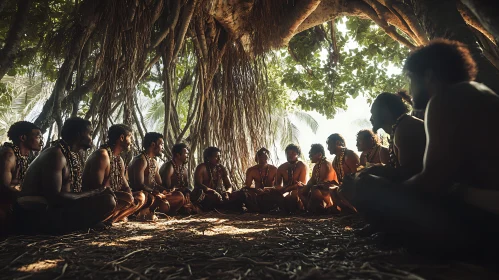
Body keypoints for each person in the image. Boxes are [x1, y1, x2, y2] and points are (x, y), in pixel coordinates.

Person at [355, 39, 499, 255]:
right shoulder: (480, 93)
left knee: (367, 185)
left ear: (429, 76)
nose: (410, 90)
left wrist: (386, 193)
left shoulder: (444, 100)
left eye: (412, 79)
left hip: (486, 223)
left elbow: (432, 180)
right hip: (483, 207)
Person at [15, 117, 116, 234]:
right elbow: (55, 197)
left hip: (56, 209)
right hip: (36, 214)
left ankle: (83, 223)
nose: (91, 138)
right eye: (89, 134)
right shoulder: (56, 155)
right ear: (79, 134)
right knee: (107, 201)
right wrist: (94, 192)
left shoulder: (70, 155)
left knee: (109, 198)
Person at [82, 124, 145, 223]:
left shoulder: (119, 160)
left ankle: (113, 219)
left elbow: (125, 185)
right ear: (122, 138)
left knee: (140, 196)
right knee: (127, 198)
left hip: (113, 197)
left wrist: (129, 193)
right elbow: (96, 189)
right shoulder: (102, 155)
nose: (131, 142)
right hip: (97, 200)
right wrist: (125, 196)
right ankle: (104, 219)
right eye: (130, 138)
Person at [367, 92, 426, 181]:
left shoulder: (405, 128)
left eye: (373, 113)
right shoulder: (400, 126)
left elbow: (408, 176)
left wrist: (376, 171)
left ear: (385, 112)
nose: (371, 119)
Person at [128, 132, 185, 218]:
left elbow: (158, 184)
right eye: (161, 144)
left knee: (179, 196)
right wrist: (154, 192)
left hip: (154, 195)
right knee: (154, 200)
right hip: (146, 197)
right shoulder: (140, 160)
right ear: (153, 144)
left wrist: (166, 191)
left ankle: (152, 211)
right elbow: (138, 185)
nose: (162, 147)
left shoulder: (154, 162)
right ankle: (146, 212)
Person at [0, 121, 43, 234]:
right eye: (38, 137)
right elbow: (3, 187)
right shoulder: (8, 155)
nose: (41, 142)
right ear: (23, 137)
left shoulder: (25, 156)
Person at [191, 147, 246, 211]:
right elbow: (198, 184)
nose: (219, 159)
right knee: (211, 199)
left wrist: (227, 192)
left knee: (241, 194)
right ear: (208, 158)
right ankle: (224, 207)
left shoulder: (221, 168)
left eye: (220, 156)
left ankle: (224, 206)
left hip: (220, 195)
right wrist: (212, 191)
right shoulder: (201, 168)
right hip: (207, 196)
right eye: (216, 157)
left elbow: (229, 186)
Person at [298, 144, 340, 214]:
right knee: (301, 190)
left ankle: (323, 209)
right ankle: (310, 210)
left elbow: (325, 183)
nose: (309, 156)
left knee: (315, 189)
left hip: (329, 192)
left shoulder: (326, 164)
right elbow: (312, 181)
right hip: (318, 189)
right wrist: (304, 186)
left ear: (319, 155)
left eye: (311, 155)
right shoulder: (316, 166)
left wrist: (310, 186)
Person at [159, 143, 197, 214]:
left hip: (180, 196)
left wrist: (188, 193)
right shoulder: (169, 167)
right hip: (167, 197)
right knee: (179, 196)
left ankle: (185, 207)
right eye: (186, 154)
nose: (188, 156)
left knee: (197, 194)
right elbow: (166, 188)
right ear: (178, 155)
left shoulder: (184, 169)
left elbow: (185, 186)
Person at [242, 148, 283, 213]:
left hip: (270, 193)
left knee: (278, 194)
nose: (263, 159)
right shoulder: (251, 170)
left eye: (265, 157)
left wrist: (267, 189)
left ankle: (275, 208)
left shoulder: (274, 169)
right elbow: (247, 186)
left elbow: (278, 186)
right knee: (245, 192)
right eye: (260, 157)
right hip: (257, 194)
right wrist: (256, 190)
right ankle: (255, 209)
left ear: (268, 158)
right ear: (256, 159)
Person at [275, 144, 308, 213]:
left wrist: (287, 189)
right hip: (284, 191)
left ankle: (299, 209)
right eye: (288, 153)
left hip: (298, 191)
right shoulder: (281, 168)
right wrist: (280, 189)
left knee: (293, 194)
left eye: (293, 153)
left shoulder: (302, 166)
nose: (290, 155)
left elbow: (301, 184)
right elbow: (277, 185)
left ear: (298, 154)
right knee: (273, 194)